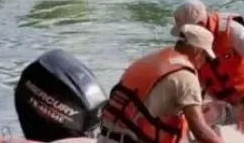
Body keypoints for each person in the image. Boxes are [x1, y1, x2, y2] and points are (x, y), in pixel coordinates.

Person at [171, 0, 244, 143]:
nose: (183, 37)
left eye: (186, 32)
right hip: (225, 99)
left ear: (200, 25)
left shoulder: (234, 32)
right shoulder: (191, 43)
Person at [97, 24, 226, 143]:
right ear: (198, 52)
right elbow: (200, 132)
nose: (204, 63)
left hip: (105, 137)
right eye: (206, 58)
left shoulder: (154, 59)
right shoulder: (186, 77)